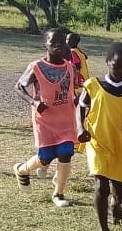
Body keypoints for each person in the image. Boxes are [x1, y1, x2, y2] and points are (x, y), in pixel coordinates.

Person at [77, 42, 122, 231]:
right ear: (108, 62)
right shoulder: (93, 86)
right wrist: (80, 127)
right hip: (99, 143)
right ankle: (104, 230)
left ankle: (116, 204)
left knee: (121, 193)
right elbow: (80, 107)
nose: (121, 71)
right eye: (117, 66)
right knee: (101, 187)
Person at [13, 27, 83, 207]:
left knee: (66, 153)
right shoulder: (36, 67)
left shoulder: (69, 67)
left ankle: (58, 193)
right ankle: (22, 170)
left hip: (66, 120)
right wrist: (34, 102)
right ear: (45, 44)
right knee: (45, 157)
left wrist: (76, 101)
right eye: (53, 42)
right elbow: (19, 87)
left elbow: (72, 90)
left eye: (62, 41)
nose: (58, 45)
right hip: (45, 121)